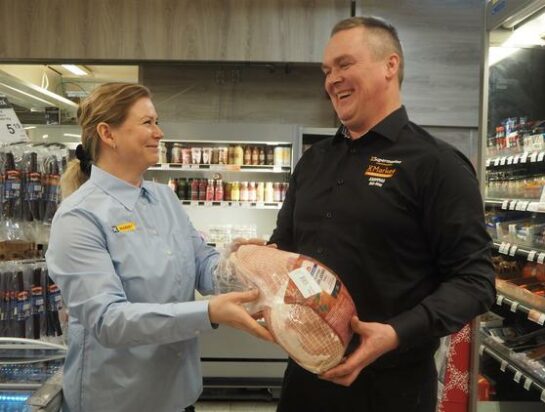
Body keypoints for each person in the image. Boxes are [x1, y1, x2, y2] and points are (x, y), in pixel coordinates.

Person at [269, 16, 495, 412]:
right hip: (304, 381)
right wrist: (260, 262)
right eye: (326, 70)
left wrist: (394, 333)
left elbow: (475, 281)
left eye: (344, 64)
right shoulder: (313, 161)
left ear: (390, 65)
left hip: (392, 389)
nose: (332, 80)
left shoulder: (437, 164)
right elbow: (285, 249)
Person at [45, 82, 273, 412]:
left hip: (178, 394)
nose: (159, 132)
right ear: (108, 134)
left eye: (157, 122)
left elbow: (201, 265)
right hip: (118, 400)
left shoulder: (164, 197)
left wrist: (239, 265)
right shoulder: (78, 217)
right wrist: (208, 312)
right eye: (147, 123)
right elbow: (107, 319)